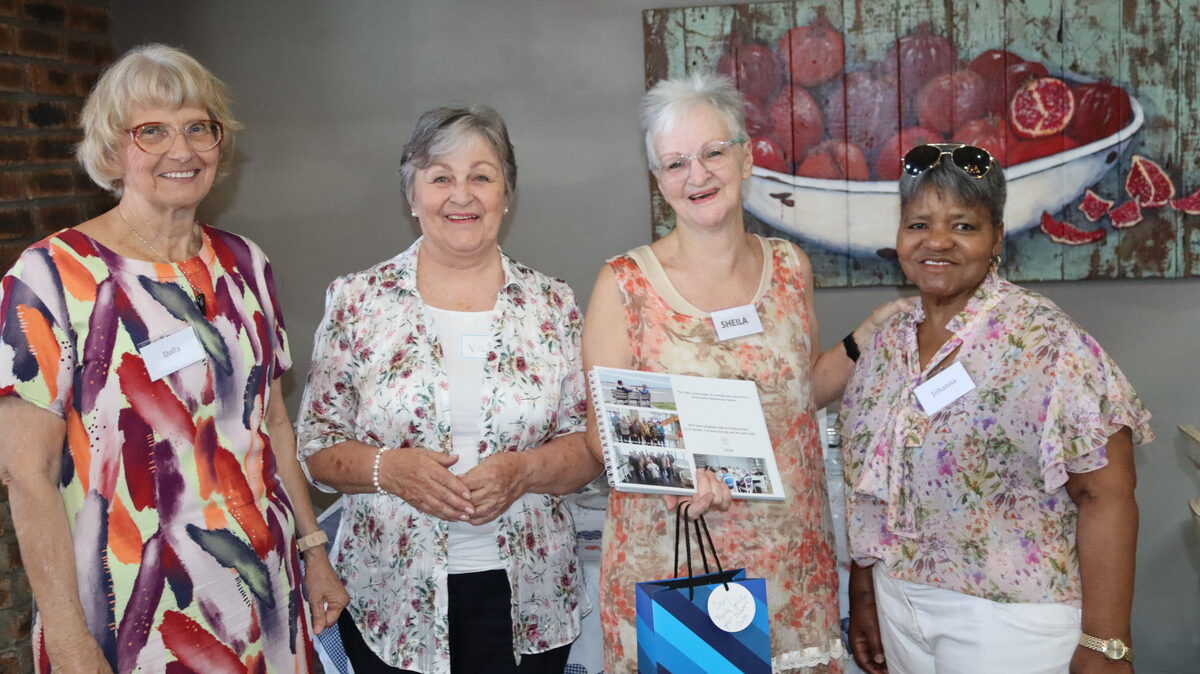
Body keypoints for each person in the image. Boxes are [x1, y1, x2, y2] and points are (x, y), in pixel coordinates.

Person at [0, 44, 347, 671]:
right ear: (111, 151)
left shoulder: (247, 264)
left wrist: (315, 550)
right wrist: (72, 641)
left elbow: (272, 425)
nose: (180, 150)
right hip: (127, 610)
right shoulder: (52, 277)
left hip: (266, 592)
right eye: (151, 132)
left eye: (198, 128)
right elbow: (27, 476)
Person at [583, 73, 907, 672]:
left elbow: (800, 393)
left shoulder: (788, 268)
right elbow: (607, 433)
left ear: (746, 155)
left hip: (790, 559)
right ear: (659, 181)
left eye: (712, 152)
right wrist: (685, 473)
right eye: (675, 163)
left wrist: (865, 339)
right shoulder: (624, 285)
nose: (697, 175)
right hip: (679, 562)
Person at [295, 105, 602, 674]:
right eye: (441, 177)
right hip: (390, 595)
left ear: (506, 194)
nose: (462, 195)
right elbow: (315, 446)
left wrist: (525, 472)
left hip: (529, 599)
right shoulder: (358, 300)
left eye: (481, 176)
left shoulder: (552, 304)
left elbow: (588, 445)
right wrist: (391, 469)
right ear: (411, 194)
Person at [840, 143, 1153, 674]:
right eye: (919, 223)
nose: (936, 242)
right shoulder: (889, 341)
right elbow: (874, 482)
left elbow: (1106, 494)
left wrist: (1106, 644)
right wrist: (866, 592)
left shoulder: (1046, 340)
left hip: (1008, 620)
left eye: (962, 226)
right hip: (900, 608)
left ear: (996, 239)